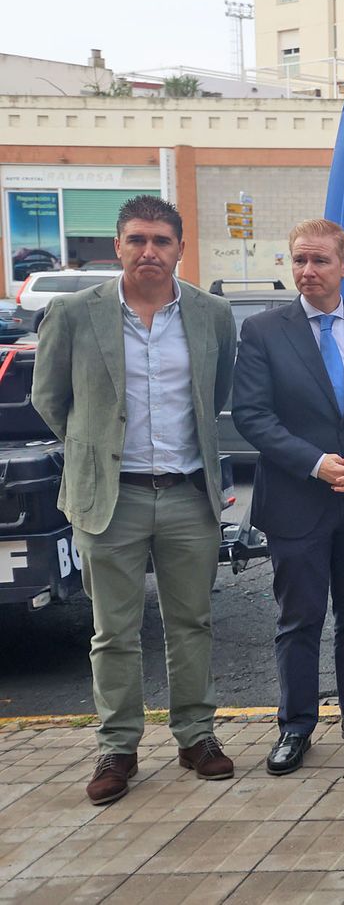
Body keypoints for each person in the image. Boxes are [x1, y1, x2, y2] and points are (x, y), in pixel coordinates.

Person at [33, 195, 238, 805]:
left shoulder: (212, 315)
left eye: (161, 241)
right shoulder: (74, 313)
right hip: (109, 499)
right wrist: (94, 448)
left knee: (192, 623)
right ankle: (118, 747)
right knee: (113, 632)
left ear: (180, 249)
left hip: (187, 495)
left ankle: (195, 736)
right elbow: (51, 400)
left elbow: (216, 392)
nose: (149, 251)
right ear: (117, 246)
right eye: (138, 239)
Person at [232, 218, 344, 774]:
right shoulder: (263, 331)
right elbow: (252, 415)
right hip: (297, 500)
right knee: (299, 619)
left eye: (319, 260)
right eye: (299, 260)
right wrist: (317, 464)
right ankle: (296, 727)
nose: (307, 270)